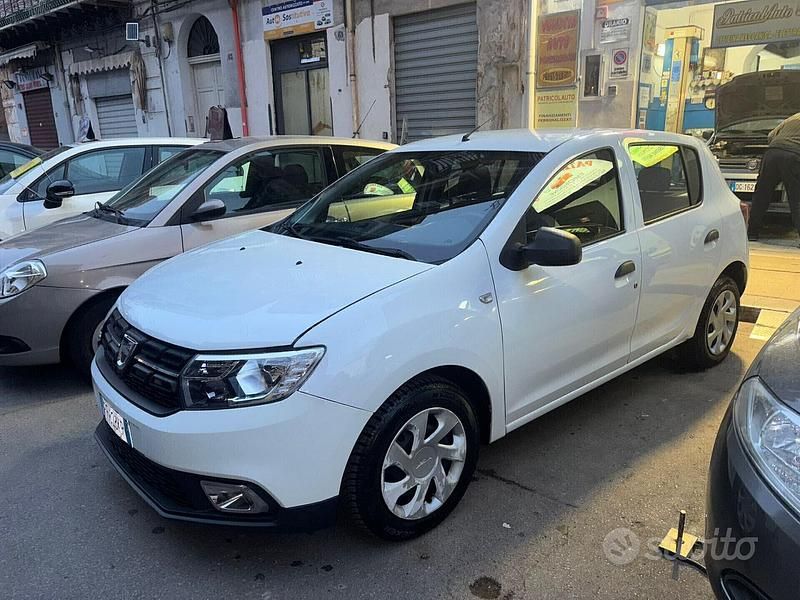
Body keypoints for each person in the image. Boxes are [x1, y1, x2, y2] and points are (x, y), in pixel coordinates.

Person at [748, 112, 800, 242]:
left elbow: (771, 135)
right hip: (793, 155)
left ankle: (751, 233)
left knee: (761, 195)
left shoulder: (794, 117)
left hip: (772, 152)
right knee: (796, 200)